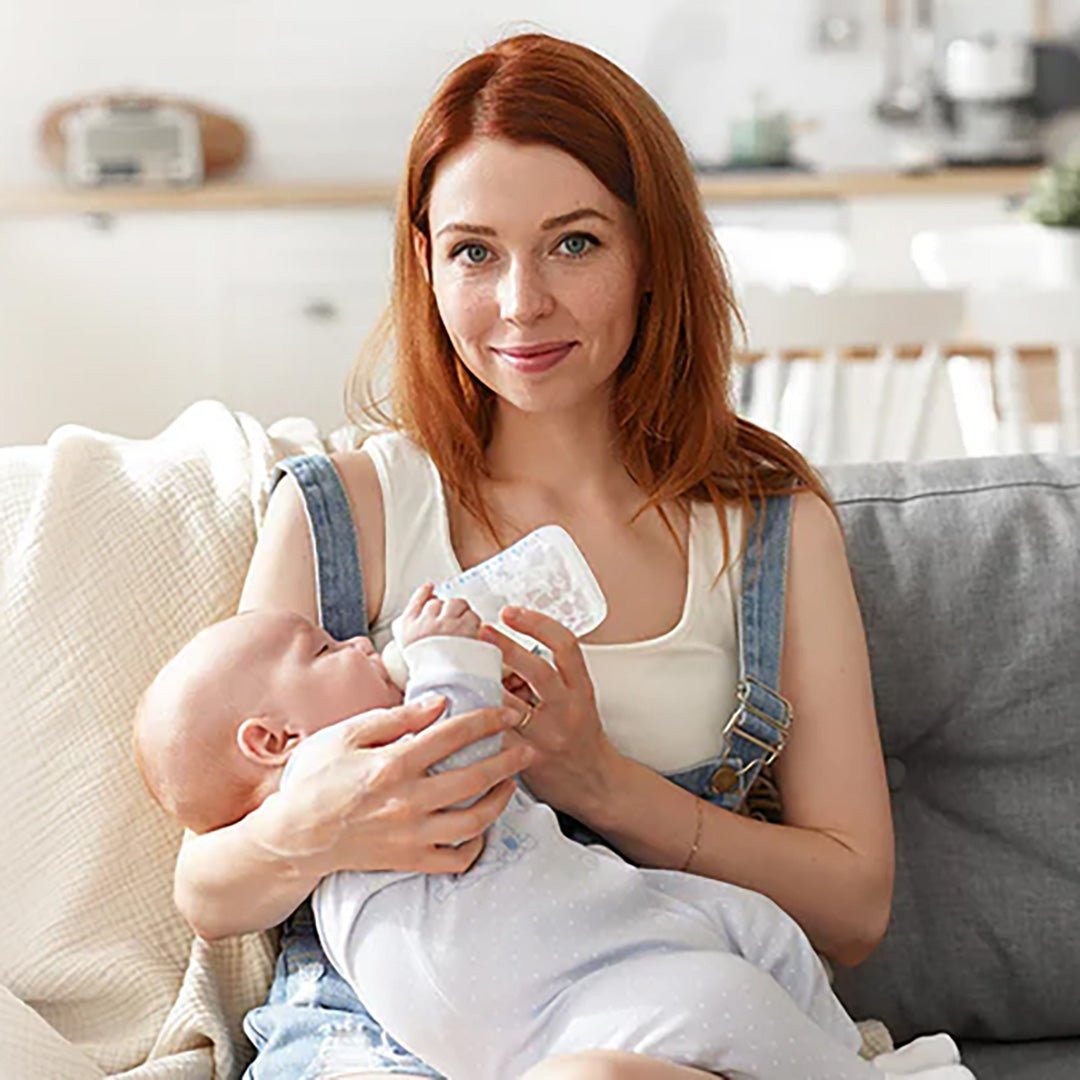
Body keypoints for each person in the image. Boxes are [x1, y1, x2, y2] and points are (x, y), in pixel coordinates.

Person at [174, 31, 917, 1080]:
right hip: (372, 1035)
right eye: (474, 251)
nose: (522, 302)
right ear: (426, 264)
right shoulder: (345, 509)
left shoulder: (767, 526)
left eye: (574, 243)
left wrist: (601, 783)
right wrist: (317, 817)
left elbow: (854, 909)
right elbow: (207, 895)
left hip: (649, 1019)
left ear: (651, 253)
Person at [140, 589, 967, 1079]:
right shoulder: (337, 755)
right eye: (324, 649)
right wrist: (444, 657)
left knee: (759, 934)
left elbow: (857, 909)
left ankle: (836, 1055)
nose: (357, 638)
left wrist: (596, 774)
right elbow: (460, 740)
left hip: (583, 938)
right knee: (723, 998)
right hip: (528, 1005)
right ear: (272, 741)